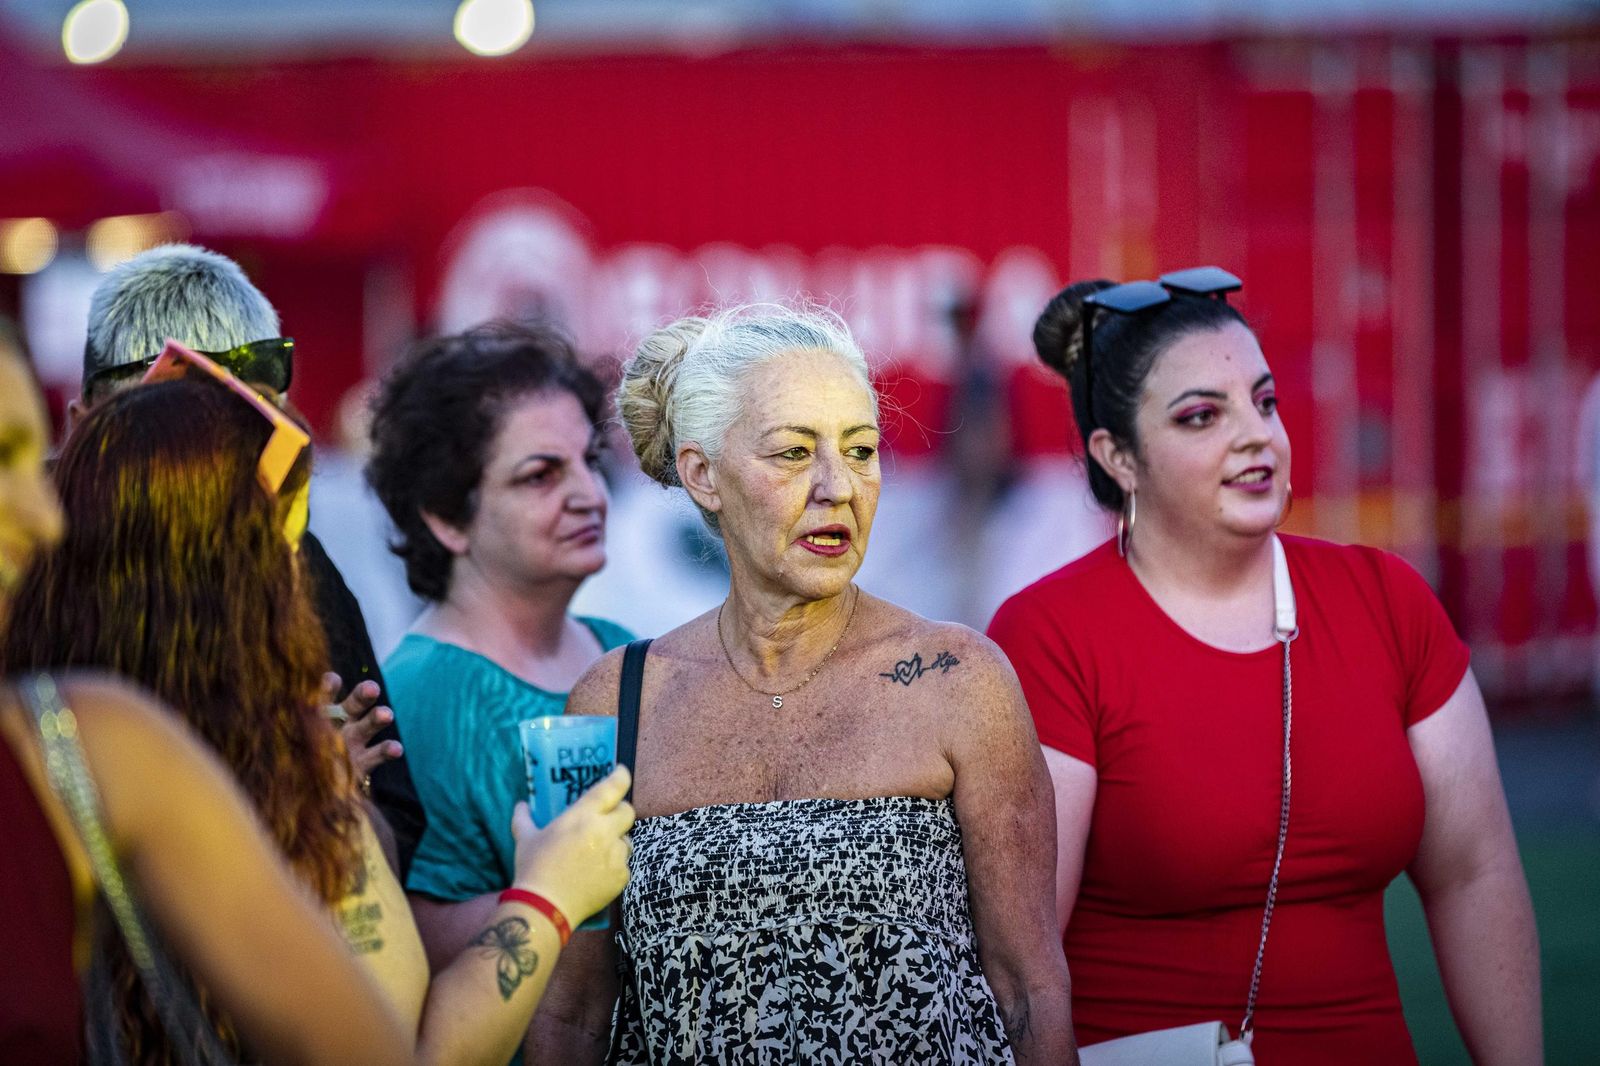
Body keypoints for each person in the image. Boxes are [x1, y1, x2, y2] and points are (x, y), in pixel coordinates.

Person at [4, 354, 635, 1065]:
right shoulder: (264, 777)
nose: (301, 566)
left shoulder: (53, 738)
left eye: (591, 462)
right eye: (285, 534)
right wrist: (548, 894)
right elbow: (406, 1053)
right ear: (245, 570)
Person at [987, 269, 1542, 1064]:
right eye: (1202, 416)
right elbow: (1022, 960)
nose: (1257, 436)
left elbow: (1473, 874)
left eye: (1265, 401)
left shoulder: (1387, 601)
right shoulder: (1050, 636)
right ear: (1120, 457)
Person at [552, 305, 1073, 1064]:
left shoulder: (961, 681)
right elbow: (571, 1012)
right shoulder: (612, 704)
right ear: (702, 474)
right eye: (794, 452)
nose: (838, 486)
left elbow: (1029, 989)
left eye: (861, 450)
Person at [0, 337, 414, 1065]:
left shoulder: (85, 744)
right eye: (273, 541)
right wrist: (545, 902)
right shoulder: (88, 746)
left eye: (38, 464)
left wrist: (328, 798)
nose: (43, 520)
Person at [71, 242, 427, 877]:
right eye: (170, 433)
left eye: (242, 430)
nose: (209, 465)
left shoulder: (295, 559)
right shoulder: (34, 567)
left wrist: (336, 793)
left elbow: (397, 832)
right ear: (84, 425)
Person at [365, 324, 634, 1033]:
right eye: (541, 475)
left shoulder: (623, 650)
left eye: (589, 461)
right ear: (446, 518)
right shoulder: (421, 694)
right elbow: (414, 949)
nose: (589, 494)